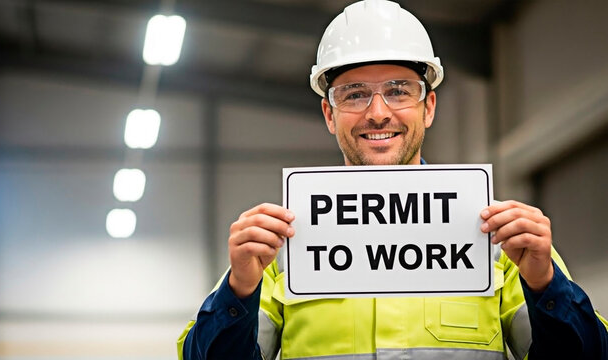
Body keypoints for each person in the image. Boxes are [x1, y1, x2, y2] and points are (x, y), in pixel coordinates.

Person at [177, 0, 608, 359]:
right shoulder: (282, 247)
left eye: (400, 90)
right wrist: (238, 290)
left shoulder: (497, 240)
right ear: (330, 114)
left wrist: (545, 284)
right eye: (355, 93)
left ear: (430, 107)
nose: (378, 112)